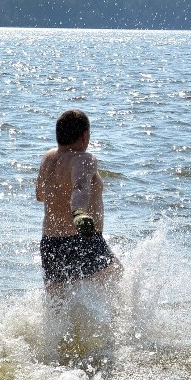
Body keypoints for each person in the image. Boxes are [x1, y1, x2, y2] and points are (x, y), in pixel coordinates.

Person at [35, 109, 121, 291]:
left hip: (50, 244)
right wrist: (79, 212)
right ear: (84, 136)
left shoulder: (48, 158)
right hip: (81, 240)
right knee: (117, 277)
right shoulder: (84, 159)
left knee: (57, 306)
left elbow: (40, 195)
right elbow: (80, 187)